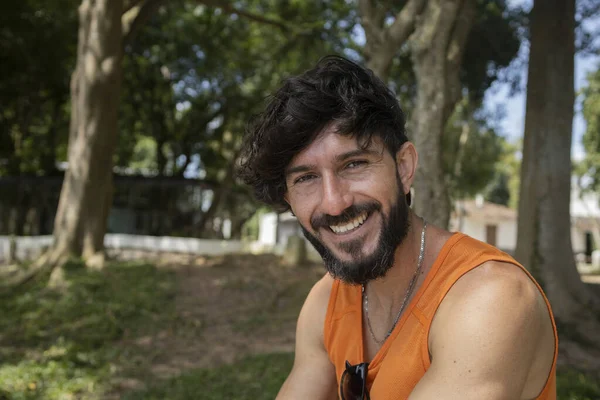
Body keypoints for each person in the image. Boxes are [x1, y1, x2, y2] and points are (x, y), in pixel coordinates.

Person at [238, 55, 557, 400]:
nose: (334, 203)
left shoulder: (490, 299)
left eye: (354, 164)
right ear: (288, 197)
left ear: (403, 168)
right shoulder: (326, 301)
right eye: (306, 178)